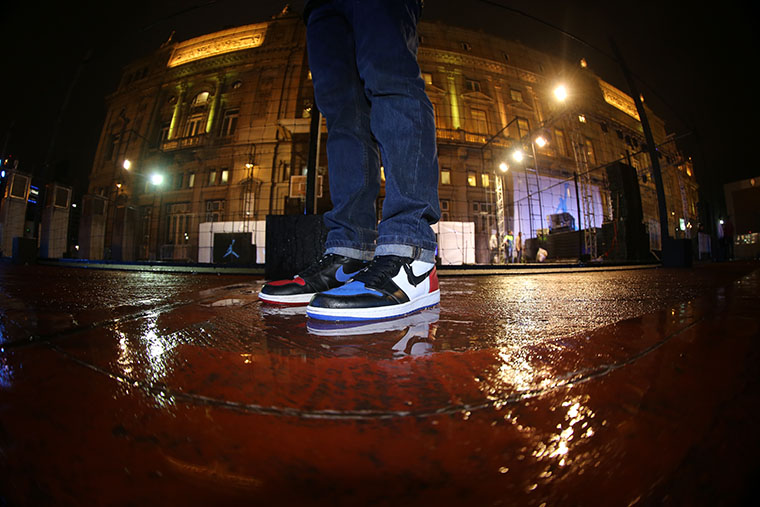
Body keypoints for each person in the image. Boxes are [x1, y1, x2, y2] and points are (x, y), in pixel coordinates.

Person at [259, 0, 441, 321]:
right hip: (319, 3)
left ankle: (412, 253)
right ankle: (350, 254)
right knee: (342, 112)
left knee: (392, 80)